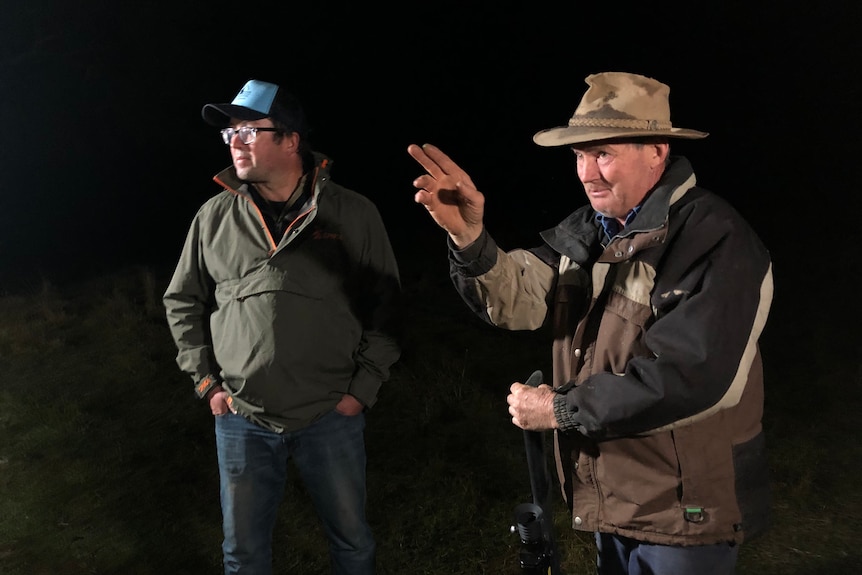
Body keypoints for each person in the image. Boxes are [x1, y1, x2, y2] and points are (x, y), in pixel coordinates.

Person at [407, 71, 773, 575]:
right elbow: (520, 299)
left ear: (657, 151)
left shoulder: (714, 239)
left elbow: (692, 377)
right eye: (578, 155)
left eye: (603, 153)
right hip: (610, 497)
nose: (586, 173)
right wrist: (471, 239)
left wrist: (560, 410)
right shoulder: (592, 229)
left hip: (682, 511)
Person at [163, 78, 402, 575]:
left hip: (329, 414)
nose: (235, 142)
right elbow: (182, 299)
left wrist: (362, 389)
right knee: (243, 554)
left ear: (290, 139)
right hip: (241, 418)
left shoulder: (351, 213)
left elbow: (386, 306)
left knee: (353, 545)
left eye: (250, 130)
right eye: (230, 132)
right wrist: (207, 382)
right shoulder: (214, 216)